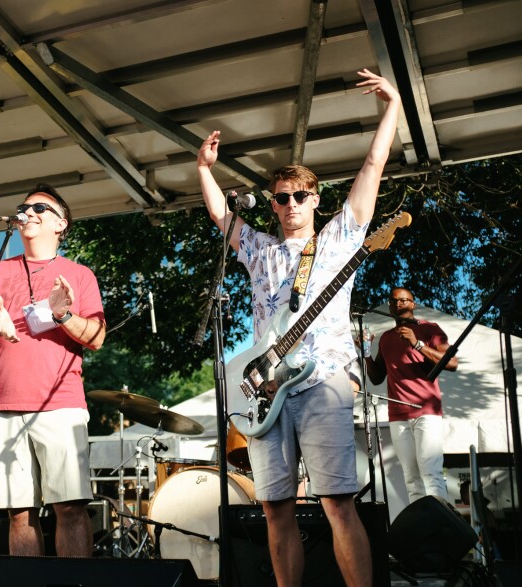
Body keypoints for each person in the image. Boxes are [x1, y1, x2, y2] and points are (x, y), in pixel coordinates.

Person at [197, 68, 400, 586]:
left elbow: (374, 166)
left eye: (299, 196)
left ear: (316, 199)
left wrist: (392, 104)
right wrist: (204, 168)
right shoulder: (259, 249)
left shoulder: (337, 239)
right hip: (268, 389)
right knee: (274, 508)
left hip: (323, 382)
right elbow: (222, 217)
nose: (290, 206)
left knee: (336, 502)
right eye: (280, 198)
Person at [0, 183, 106, 557]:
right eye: (24, 208)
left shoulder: (79, 274)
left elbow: (96, 337)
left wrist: (63, 314)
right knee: (18, 513)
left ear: (61, 223)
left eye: (40, 208)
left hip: (60, 404)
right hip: (3, 405)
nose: (28, 213)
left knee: (71, 507)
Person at [364, 287, 457, 503]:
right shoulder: (386, 338)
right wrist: (366, 352)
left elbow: (451, 363)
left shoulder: (430, 329)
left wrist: (417, 344)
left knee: (431, 472)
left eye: (403, 300)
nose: (398, 304)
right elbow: (377, 378)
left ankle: (440, 527)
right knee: (411, 478)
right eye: (394, 301)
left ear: (413, 304)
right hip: (398, 415)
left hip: (426, 411)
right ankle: (422, 530)